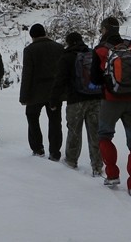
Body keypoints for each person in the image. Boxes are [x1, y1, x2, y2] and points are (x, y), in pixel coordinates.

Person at [90, 15, 131, 196]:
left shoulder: (100, 50)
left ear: (105, 29)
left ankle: (113, 174)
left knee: (105, 136)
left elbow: (94, 78)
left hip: (111, 100)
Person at [54, 31, 104, 175]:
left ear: (68, 42)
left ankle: (71, 161)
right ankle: (97, 166)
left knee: (74, 131)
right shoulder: (92, 53)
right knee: (95, 133)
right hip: (95, 98)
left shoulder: (67, 57)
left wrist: (54, 99)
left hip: (75, 100)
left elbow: (60, 80)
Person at [18, 23, 63, 158]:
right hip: (54, 92)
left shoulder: (30, 50)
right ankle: (55, 152)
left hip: (35, 92)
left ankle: (38, 148)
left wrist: (24, 96)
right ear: (45, 33)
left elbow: (27, 74)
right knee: (55, 121)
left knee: (32, 118)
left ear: (32, 36)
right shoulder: (59, 48)